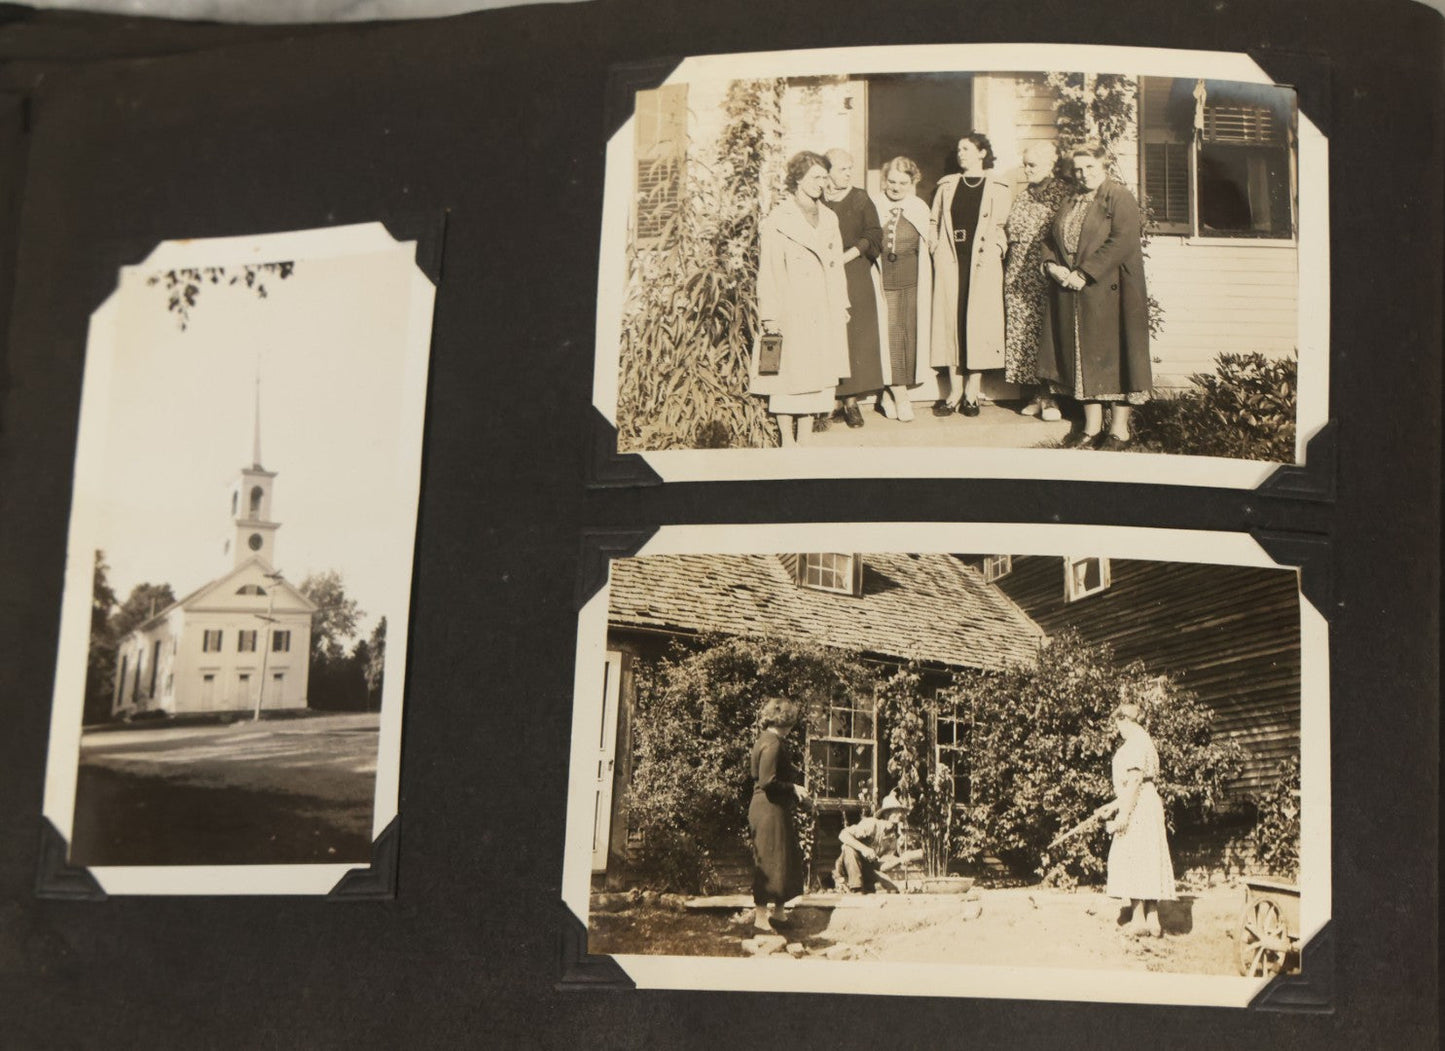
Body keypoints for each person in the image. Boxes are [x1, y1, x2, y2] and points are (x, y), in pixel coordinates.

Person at [1037, 142, 1153, 450]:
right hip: (1072, 289)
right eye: (1078, 168)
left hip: (1108, 288)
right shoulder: (1071, 199)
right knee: (1081, 356)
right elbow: (1049, 237)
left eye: (1090, 167)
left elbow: (1122, 240)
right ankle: (1090, 428)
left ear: (1104, 167)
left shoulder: (1118, 196)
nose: (1083, 174)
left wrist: (1085, 272)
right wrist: (1051, 265)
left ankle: (1119, 431)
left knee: (1113, 358)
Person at [752, 151, 851, 447]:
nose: (823, 183)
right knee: (787, 375)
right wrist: (770, 313)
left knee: (816, 374)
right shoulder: (779, 219)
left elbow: (835, 264)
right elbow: (768, 269)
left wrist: (842, 303)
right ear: (798, 178)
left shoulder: (830, 217)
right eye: (816, 177)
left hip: (823, 304)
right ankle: (787, 440)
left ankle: (805, 438)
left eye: (824, 176)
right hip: (790, 306)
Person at [929, 133, 1012, 417]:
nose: (960, 153)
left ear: (982, 152)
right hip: (951, 262)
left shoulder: (998, 187)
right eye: (958, 149)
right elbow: (934, 221)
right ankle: (953, 393)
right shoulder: (947, 186)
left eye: (966, 149)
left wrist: (995, 251)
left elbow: (1003, 227)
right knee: (951, 324)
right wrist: (935, 246)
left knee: (975, 324)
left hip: (981, 265)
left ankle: (972, 394)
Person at [1096, 702, 1176, 938]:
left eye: (1118, 724)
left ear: (1124, 720)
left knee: (1133, 856)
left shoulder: (1134, 744)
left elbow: (1133, 782)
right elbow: (1141, 783)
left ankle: (1139, 919)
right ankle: (1154, 920)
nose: (1118, 730)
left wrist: (1123, 815)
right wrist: (1112, 806)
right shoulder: (1147, 742)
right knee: (1148, 857)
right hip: (1148, 802)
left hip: (1138, 806)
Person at [821, 149, 889, 429]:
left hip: (854, 271)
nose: (849, 173)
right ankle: (828, 401)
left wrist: (848, 255)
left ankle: (850, 404)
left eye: (851, 168)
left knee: (855, 336)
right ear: (827, 172)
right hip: (823, 273)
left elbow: (874, 234)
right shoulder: (818, 200)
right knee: (828, 334)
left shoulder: (860, 198)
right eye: (842, 168)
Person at [1003, 141, 1068, 421]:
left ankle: (1051, 399)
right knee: (1022, 336)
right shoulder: (1024, 195)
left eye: (1032, 165)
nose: (1027, 170)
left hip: (1045, 275)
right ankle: (1034, 395)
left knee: (1045, 336)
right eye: (1025, 164)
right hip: (1018, 275)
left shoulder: (1062, 194)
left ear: (1049, 165)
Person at [870, 156, 934, 422]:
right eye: (892, 181)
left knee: (908, 337)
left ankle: (889, 394)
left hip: (913, 281)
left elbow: (929, 243)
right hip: (884, 281)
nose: (896, 187)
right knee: (892, 337)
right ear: (885, 179)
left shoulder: (919, 207)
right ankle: (901, 396)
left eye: (903, 183)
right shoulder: (874, 205)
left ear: (912, 182)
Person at [748, 696, 812, 932]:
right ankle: (761, 918)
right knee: (768, 861)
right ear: (786, 722)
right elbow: (767, 781)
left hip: (771, 808)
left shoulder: (765, 740)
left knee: (782, 859)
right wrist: (793, 787)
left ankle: (779, 914)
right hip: (768, 808)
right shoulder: (773, 743)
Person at [833, 792, 911, 893]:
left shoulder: (892, 837)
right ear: (886, 814)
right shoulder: (871, 824)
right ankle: (855, 888)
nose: (900, 815)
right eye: (896, 811)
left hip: (867, 869)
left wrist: (900, 860)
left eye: (901, 812)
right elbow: (843, 835)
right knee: (849, 848)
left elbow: (881, 866)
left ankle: (863, 886)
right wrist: (864, 849)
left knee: (893, 890)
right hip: (847, 867)